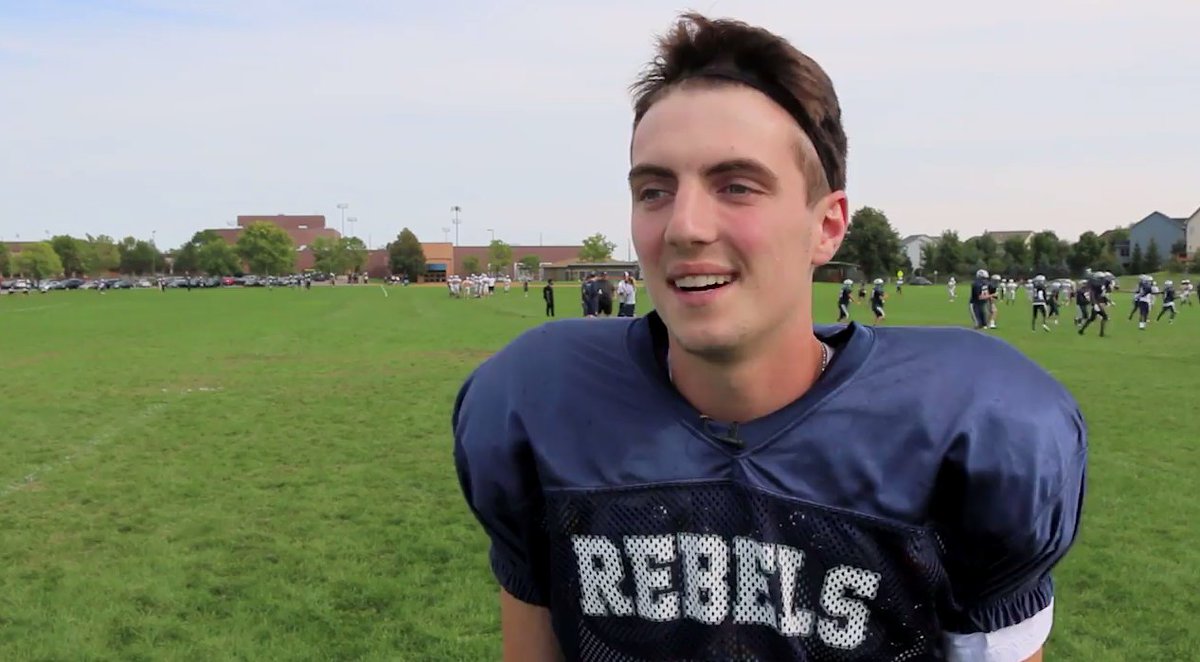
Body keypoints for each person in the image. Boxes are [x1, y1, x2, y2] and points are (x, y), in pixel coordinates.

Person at [453, 13, 1086, 662]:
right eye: (654, 189)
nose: (684, 226)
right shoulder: (541, 402)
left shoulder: (973, 428)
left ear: (828, 225)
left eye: (736, 186)